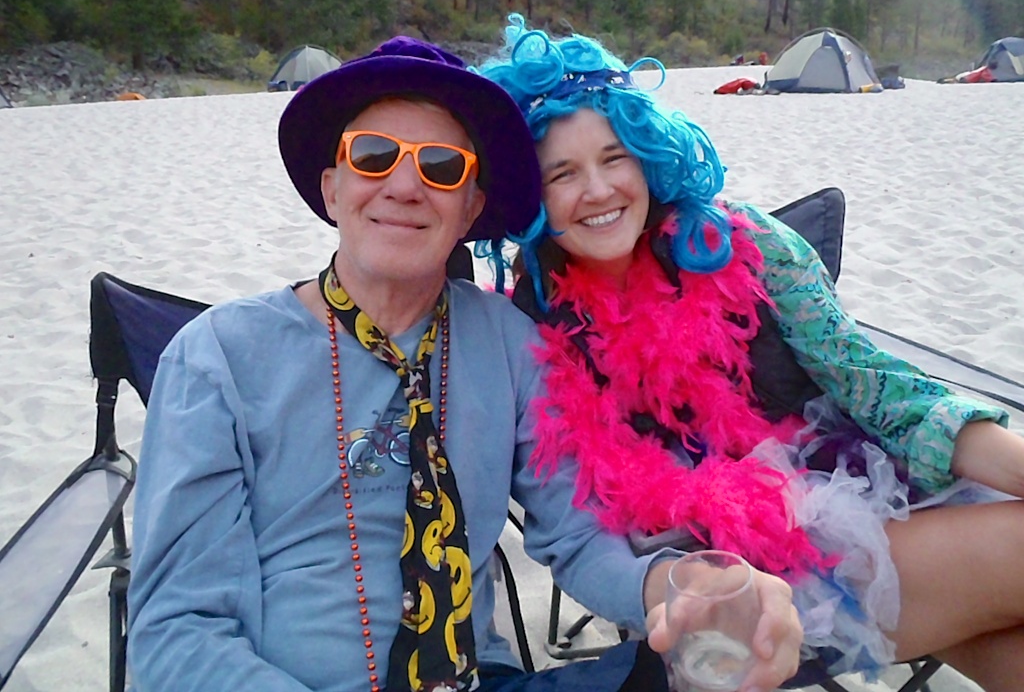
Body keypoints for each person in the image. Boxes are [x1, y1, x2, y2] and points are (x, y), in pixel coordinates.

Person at [125, 37, 802, 692]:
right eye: (373, 156)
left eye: (442, 167)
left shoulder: (511, 346)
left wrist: (677, 587)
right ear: (331, 190)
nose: (403, 186)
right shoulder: (219, 356)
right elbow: (177, 630)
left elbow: (577, 540)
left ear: (471, 206)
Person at [477, 15, 1024, 691]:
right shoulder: (530, 333)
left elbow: (878, 386)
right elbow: (577, 532)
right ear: (531, 198)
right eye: (562, 173)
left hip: (853, 497)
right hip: (735, 591)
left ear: (648, 154)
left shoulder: (747, 245)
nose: (597, 190)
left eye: (614, 157)